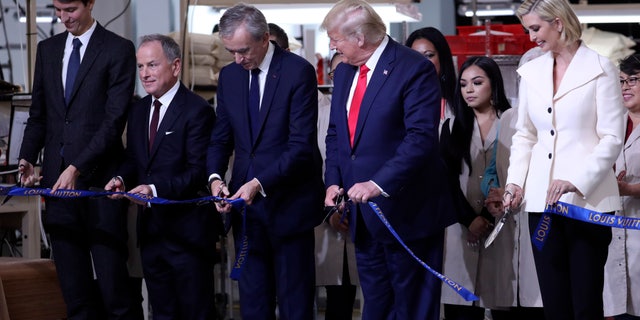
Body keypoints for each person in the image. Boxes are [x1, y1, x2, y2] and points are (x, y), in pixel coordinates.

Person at [320, 1, 455, 319]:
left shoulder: (413, 68)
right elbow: (337, 134)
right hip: (364, 218)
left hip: (408, 213)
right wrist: (333, 180)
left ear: (359, 39)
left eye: (335, 38)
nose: (331, 46)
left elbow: (420, 138)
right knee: (376, 304)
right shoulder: (343, 73)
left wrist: (378, 183)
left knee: (411, 308)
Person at [503, 0, 625, 319]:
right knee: (554, 300)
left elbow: (612, 137)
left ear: (558, 23)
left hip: (588, 202)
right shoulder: (530, 72)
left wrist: (578, 179)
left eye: (535, 29)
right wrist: (515, 182)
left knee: (585, 300)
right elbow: (525, 135)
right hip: (541, 203)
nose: (531, 38)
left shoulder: (601, 68)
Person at [17, 0, 137, 318]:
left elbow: (113, 122)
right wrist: (27, 157)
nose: (63, 17)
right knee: (75, 294)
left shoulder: (118, 49)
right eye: (57, 9)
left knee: (115, 292)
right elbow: (39, 114)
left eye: (70, 9)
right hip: (58, 189)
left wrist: (77, 167)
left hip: (100, 188)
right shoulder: (48, 50)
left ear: (90, 4)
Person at [207, 4, 325, 319]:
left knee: (294, 305)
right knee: (253, 305)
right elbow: (220, 138)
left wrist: (259, 183)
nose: (237, 58)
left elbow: (301, 147)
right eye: (230, 51)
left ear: (265, 39)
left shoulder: (297, 71)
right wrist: (216, 179)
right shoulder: (229, 76)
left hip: (289, 206)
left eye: (243, 50)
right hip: (246, 212)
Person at [106, 34, 218, 319]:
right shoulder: (139, 110)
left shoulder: (197, 110)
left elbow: (198, 172)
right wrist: (121, 179)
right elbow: (134, 160)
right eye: (140, 67)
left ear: (176, 66)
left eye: (152, 65)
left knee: (195, 312)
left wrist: (154, 190)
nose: (144, 74)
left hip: (187, 235)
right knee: (162, 313)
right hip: (152, 234)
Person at [440, 56, 510, 320]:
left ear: (494, 85)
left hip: (502, 225)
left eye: (477, 82)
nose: (469, 90)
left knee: (504, 302)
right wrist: (469, 220)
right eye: (463, 84)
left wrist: (491, 215)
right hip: (460, 229)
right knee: (460, 307)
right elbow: (445, 180)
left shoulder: (512, 123)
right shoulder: (451, 127)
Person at [481, 47, 545, 320]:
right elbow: (493, 170)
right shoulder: (508, 118)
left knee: (542, 297)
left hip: (545, 220)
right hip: (509, 221)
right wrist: (493, 194)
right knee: (508, 302)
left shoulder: (563, 118)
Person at [603, 53, 640, 320]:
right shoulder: (611, 125)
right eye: (621, 81)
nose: (625, 87)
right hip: (613, 231)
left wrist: (630, 190)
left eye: (633, 80)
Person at [405, 27, 457, 132]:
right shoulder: (400, 100)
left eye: (429, 55)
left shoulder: (459, 100)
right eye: (415, 56)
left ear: (442, 58)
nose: (422, 63)